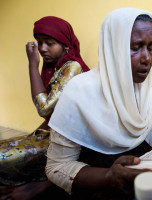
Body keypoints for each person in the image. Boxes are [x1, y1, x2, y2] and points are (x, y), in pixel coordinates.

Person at [45, 8, 152, 199]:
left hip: (142, 180)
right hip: (98, 184)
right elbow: (57, 166)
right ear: (113, 48)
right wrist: (109, 176)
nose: (147, 58)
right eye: (135, 47)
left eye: (150, 48)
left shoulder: (149, 96)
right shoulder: (79, 93)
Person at [0, 16, 89, 200]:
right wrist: (32, 136)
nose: (42, 49)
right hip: (53, 134)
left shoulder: (72, 66)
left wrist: (32, 64)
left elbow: (44, 109)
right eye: (39, 42)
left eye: (49, 43)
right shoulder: (56, 66)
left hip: (69, 144)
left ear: (66, 45)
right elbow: (52, 116)